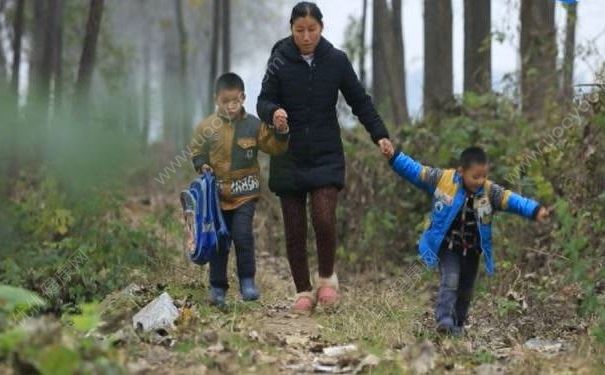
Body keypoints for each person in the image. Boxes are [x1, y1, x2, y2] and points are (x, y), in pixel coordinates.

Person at [257, 1, 394, 313]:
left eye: (312, 30)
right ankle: (303, 291)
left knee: (323, 217)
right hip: (287, 154)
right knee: (294, 227)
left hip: (325, 154)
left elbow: (360, 101)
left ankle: (327, 279)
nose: (305, 36)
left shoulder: (336, 60)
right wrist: (273, 112)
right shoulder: (279, 59)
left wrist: (380, 135)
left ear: (322, 28)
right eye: (299, 30)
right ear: (291, 29)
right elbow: (264, 99)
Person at [384, 145, 550, 335]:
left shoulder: (489, 192)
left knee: (466, 289)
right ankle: (444, 320)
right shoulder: (443, 180)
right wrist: (394, 156)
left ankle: (458, 323)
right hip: (448, 246)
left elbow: (512, 200)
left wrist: (535, 210)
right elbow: (416, 171)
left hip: (472, 250)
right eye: (475, 177)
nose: (480, 181)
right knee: (451, 280)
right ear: (461, 171)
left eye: (484, 176)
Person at [188, 73, 289, 306]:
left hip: (245, 194)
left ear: (243, 97)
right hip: (217, 197)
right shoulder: (207, 127)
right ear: (217, 100)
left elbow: (273, 146)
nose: (231, 106)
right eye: (225, 102)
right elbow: (197, 149)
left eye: (235, 101)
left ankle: (247, 281)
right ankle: (217, 288)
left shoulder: (254, 125)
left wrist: (281, 132)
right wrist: (201, 164)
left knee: (243, 236)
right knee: (219, 241)